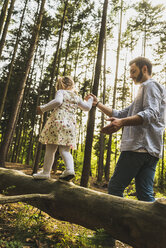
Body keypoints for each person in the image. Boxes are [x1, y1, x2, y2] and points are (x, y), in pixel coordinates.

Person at [90, 57, 166, 202]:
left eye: (133, 71)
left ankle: (117, 225)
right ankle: (154, 225)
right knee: (145, 195)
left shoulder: (150, 85)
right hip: (151, 151)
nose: (130, 75)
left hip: (138, 148)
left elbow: (152, 113)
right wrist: (98, 103)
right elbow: (121, 114)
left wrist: (122, 123)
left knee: (115, 188)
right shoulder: (149, 90)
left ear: (144, 69)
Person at [33, 76, 93, 180]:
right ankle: (70, 170)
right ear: (72, 85)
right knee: (65, 151)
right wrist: (91, 99)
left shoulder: (61, 92)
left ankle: (46, 172)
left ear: (61, 85)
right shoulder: (76, 97)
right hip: (70, 126)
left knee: (50, 149)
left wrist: (42, 108)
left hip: (57, 123)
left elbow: (58, 102)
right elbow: (87, 108)